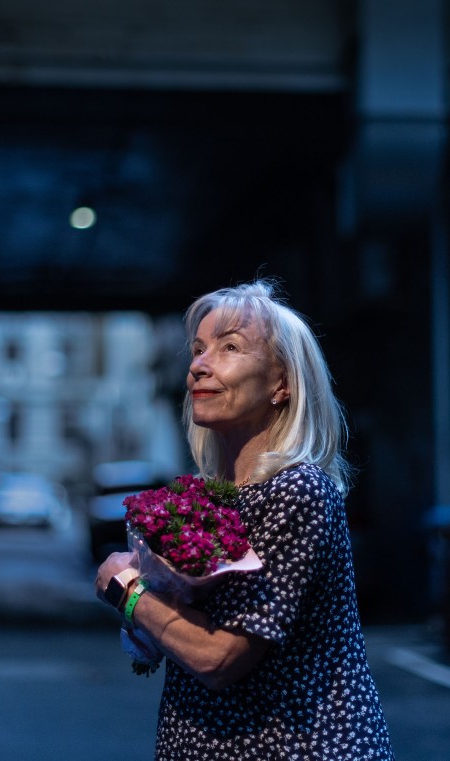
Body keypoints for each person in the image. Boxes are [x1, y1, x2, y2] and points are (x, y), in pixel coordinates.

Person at [95, 279, 395, 760]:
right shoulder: (215, 498)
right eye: (197, 349)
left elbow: (218, 658)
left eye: (229, 347)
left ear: (283, 383)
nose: (198, 365)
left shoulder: (299, 491)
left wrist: (126, 589)